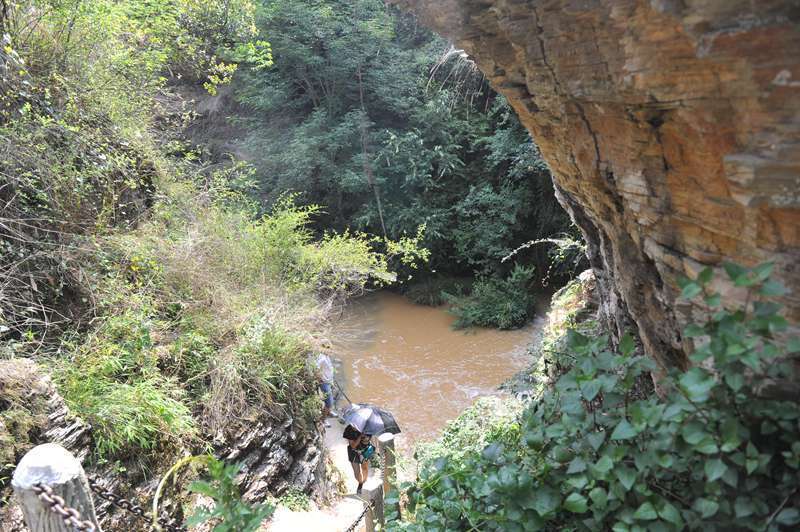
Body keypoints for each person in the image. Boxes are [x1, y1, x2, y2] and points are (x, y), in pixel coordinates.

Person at [343, 424, 374, 494]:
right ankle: (360, 483)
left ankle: (364, 482)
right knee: (357, 473)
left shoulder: (367, 428)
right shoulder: (349, 429)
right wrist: (360, 437)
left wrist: (365, 438)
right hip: (353, 452)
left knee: (365, 469)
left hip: (365, 450)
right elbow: (353, 446)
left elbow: (368, 440)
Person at [314, 339, 336, 427]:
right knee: (329, 402)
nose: (330, 350)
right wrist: (320, 379)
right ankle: (323, 420)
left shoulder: (326, 356)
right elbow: (316, 369)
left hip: (329, 381)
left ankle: (329, 412)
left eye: (330, 348)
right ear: (323, 348)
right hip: (324, 382)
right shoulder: (322, 358)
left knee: (330, 399)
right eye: (328, 348)